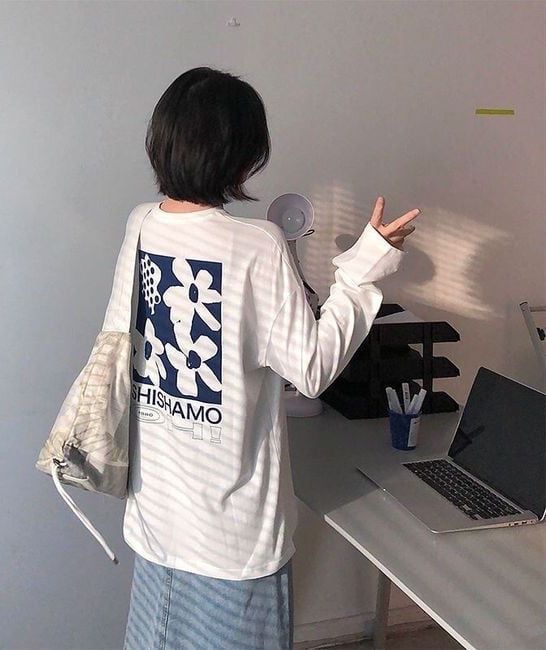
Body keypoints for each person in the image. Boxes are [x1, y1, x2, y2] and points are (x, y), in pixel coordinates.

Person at [121, 67, 420, 650]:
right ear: (239, 156)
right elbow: (311, 370)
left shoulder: (141, 225)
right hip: (231, 539)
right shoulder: (256, 244)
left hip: (155, 513)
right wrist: (364, 269)